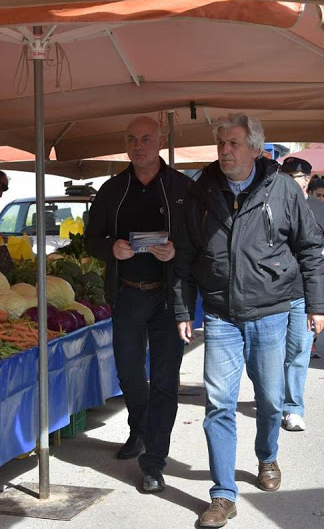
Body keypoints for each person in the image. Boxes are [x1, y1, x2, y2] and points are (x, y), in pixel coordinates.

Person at [172, 113, 324, 528]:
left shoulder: (282, 188)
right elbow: (185, 256)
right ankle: (223, 493)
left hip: (271, 311)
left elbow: (311, 248)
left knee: (271, 399)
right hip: (220, 314)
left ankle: (267, 455)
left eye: (234, 143)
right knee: (219, 403)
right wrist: (183, 309)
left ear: (256, 149)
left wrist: (318, 304)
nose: (225, 151)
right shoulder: (201, 190)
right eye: (221, 143)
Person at [85, 116, 191, 492]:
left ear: (160, 141)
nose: (139, 145)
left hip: (168, 298)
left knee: (164, 380)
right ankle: (138, 429)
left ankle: (154, 460)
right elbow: (90, 239)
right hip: (127, 293)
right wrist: (109, 248)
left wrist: (177, 251)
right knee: (130, 372)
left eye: (146, 138)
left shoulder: (181, 187)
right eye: (131, 139)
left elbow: (201, 240)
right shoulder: (112, 189)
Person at [279, 156, 324, 432]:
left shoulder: (320, 210)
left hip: (302, 296)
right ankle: (274, 398)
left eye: (292, 177)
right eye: (283, 175)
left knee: (297, 351)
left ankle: (292, 407)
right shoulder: (269, 204)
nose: (286, 181)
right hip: (269, 295)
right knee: (268, 354)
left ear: (306, 180)